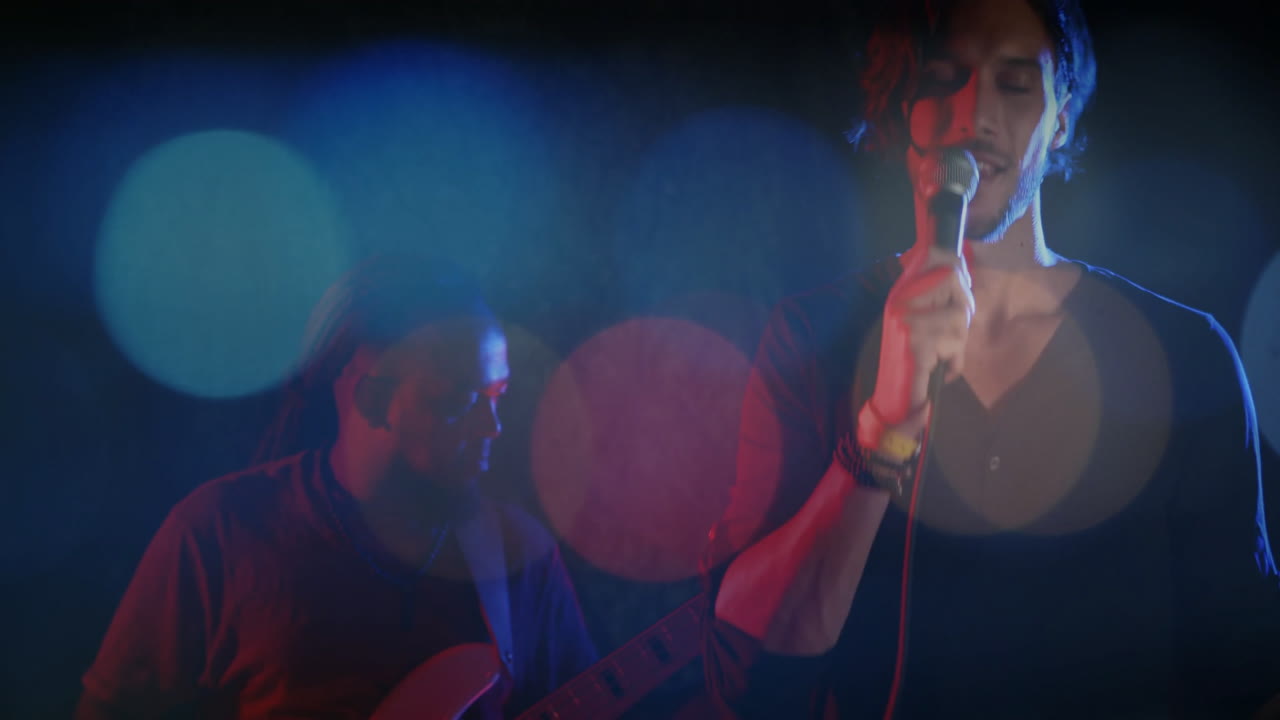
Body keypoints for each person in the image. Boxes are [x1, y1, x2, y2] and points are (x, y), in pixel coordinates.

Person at [702, 0, 1280, 718]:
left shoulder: (1184, 351)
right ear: (898, 107)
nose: (974, 114)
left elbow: (1246, 668)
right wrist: (883, 429)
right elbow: (748, 667)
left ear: (1060, 116)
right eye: (943, 77)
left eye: (1015, 84)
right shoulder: (810, 334)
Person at [78, 255, 597, 719]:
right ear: (371, 400)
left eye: (497, 394)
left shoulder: (517, 555)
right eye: (460, 398)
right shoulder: (219, 532)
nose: (492, 426)